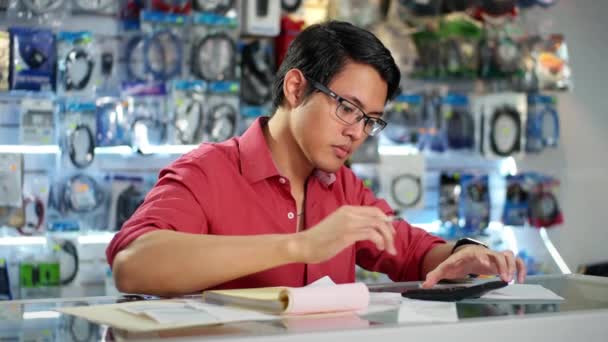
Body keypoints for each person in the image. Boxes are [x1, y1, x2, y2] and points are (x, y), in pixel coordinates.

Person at [106, 21, 526, 297]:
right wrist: (300, 245)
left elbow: (413, 251)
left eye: (370, 120)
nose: (357, 132)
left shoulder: (343, 187)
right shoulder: (207, 171)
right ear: (294, 89)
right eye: (347, 108)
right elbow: (134, 265)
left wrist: (464, 254)